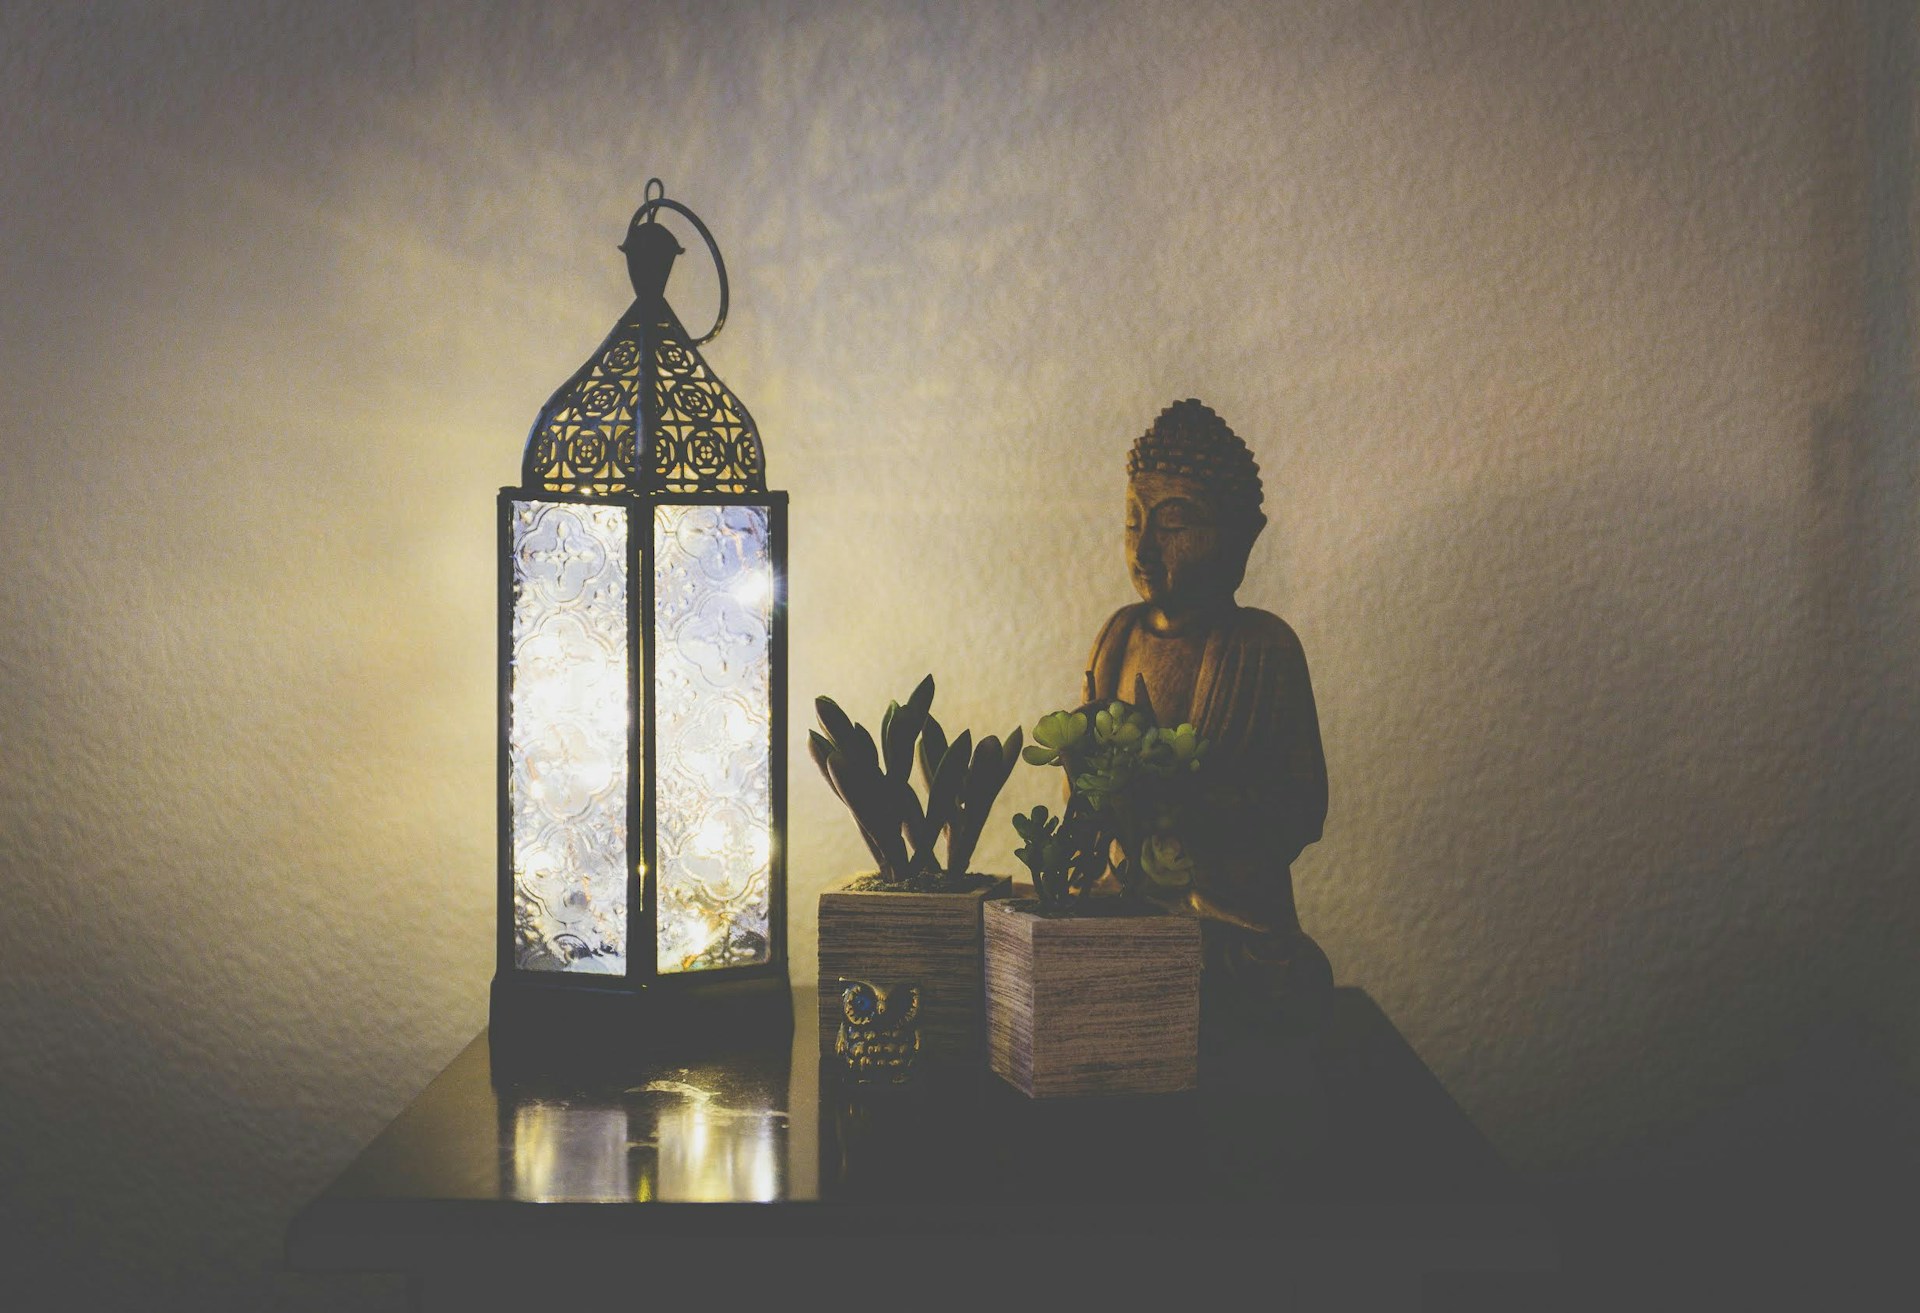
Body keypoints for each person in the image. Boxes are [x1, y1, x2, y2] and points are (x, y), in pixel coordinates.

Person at [1086, 399, 1331, 1011]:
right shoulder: (1117, 637)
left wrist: (1198, 809)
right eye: (1132, 521)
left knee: (1283, 978)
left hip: (1231, 913)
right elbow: (1084, 792)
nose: (1144, 549)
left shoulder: (1262, 646)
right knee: (1077, 952)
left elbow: (1303, 807)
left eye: (1173, 526)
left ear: (1242, 535)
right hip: (1127, 899)